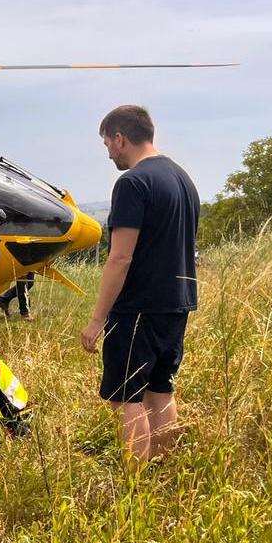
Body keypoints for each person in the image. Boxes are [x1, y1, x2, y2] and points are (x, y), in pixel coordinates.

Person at [80, 105, 199, 463]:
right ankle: (164, 473)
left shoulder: (132, 182)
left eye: (107, 144)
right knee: (161, 391)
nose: (108, 152)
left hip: (138, 309)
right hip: (177, 303)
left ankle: (138, 488)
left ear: (121, 137)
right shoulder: (182, 178)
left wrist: (97, 319)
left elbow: (120, 257)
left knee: (126, 397)